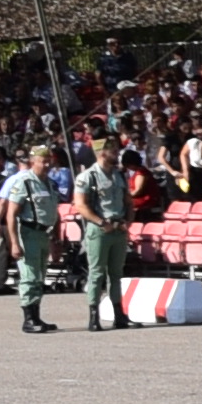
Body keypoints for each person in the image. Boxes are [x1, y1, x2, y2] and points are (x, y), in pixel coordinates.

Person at [0, 143, 63, 333]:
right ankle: (28, 319)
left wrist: (56, 239)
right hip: (28, 232)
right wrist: (14, 243)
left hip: (43, 233)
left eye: (49, 161)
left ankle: (36, 316)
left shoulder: (49, 184)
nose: (47, 165)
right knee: (29, 277)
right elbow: (11, 214)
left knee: (40, 276)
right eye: (43, 161)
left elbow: (54, 212)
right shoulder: (24, 182)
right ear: (33, 161)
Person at [75, 135, 135, 331]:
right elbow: (81, 205)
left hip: (118, 228)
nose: (117, 154)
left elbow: (128, 201)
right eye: (113, 151)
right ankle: (94, 316)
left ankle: (119, 315)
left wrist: (128, 221)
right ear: (101, 153)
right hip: (99, 229)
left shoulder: (119, 175)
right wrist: (101, 222)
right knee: (97, 273)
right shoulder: (88, 176)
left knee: (116, 274)